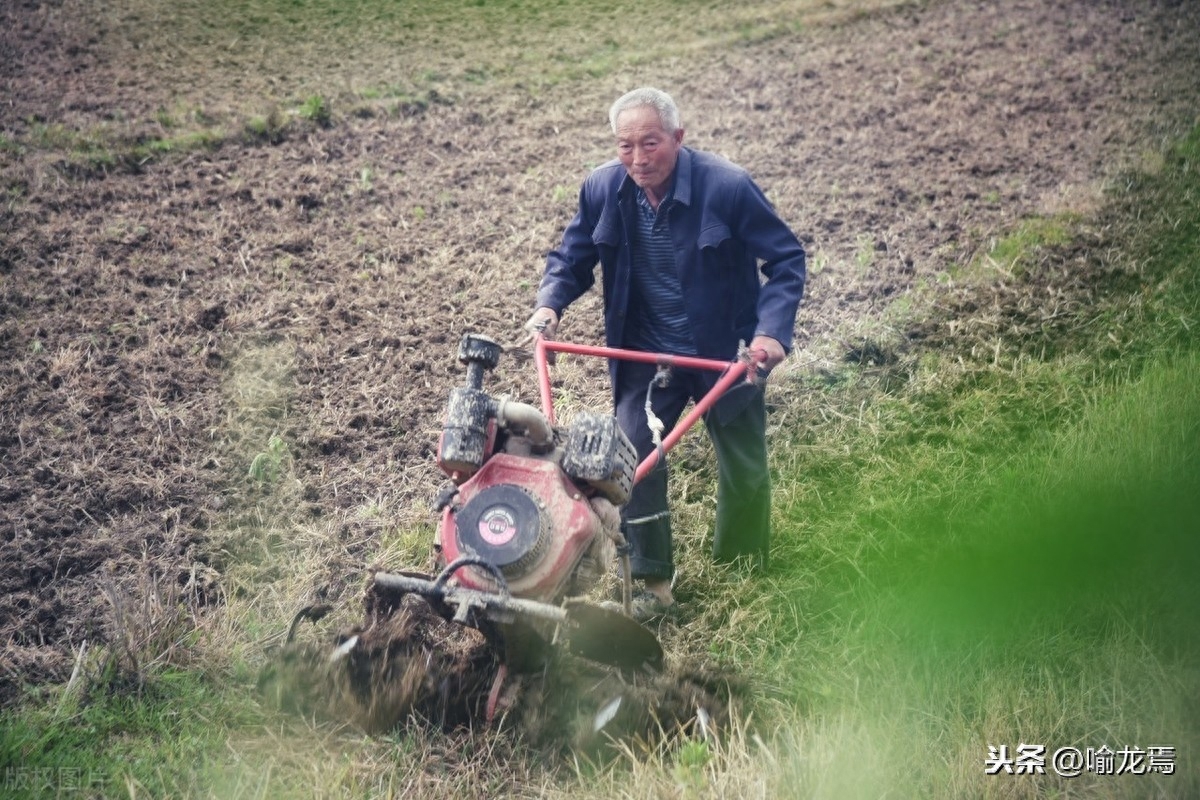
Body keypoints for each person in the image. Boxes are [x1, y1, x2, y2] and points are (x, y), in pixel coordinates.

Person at [525, 87, 806, 619]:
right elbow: (571, 257)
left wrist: (771, 333)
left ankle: (743, 568)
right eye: (624, 145)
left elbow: (786, 260)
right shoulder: (604, 188)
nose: (637, 158)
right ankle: (654, 583)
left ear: (678, 138)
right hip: (647, 356)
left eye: (649, 143)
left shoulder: (727, 187)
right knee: (635, 464)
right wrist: (548, 307)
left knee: (743, 463)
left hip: (724, 354)